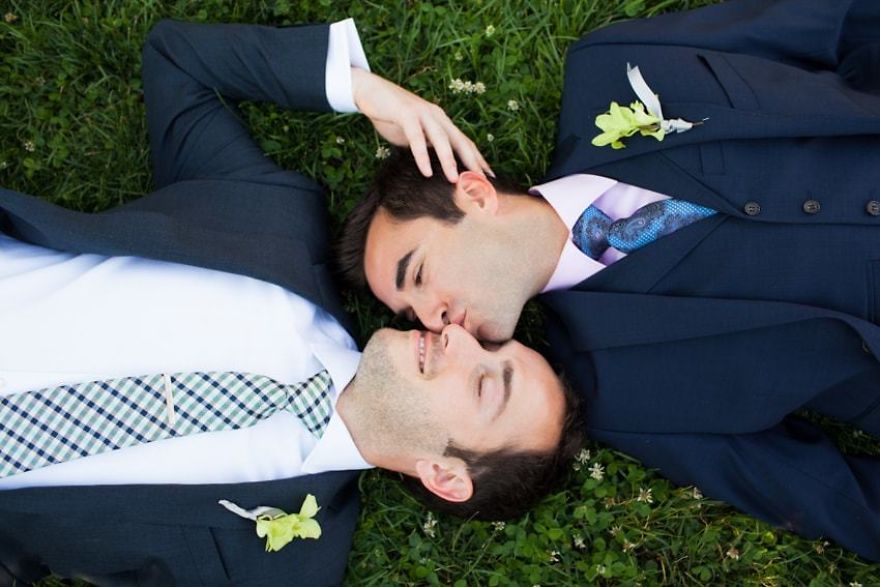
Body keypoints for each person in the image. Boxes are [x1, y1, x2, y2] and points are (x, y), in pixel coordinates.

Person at [0, 19, 584, 586]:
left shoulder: (281, 569)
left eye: (484, 385)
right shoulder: (277, 229)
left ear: (446, 478)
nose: (456, 336)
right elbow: (177, 59)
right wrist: (366, 92)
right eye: (485, 343)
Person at [339, 0, 880, 561]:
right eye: (410, 317)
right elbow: (830, 497)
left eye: (418, 274)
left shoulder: (611, 67)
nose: (434, 322)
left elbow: (838, 23)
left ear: (474, 194)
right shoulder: (617, 394)